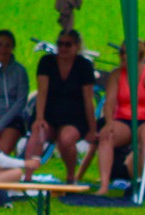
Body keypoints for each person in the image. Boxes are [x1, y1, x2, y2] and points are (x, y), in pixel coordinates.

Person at [24, 29, 96, 184]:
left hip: (75, 117)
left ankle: (71, 176)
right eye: (60, 44)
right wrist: (40, 117)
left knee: (66, 138)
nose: (63, 48)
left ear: (77, 46)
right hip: (49, 114)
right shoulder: (47, 62)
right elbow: (42, 92)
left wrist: (92, 129)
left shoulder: (84, 66)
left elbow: (88, 100)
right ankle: (27, 178)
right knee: (38, 132)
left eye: (67, 45)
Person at [92, 41, 145, 195]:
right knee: (107, 136)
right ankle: (104, 185)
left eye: (126, 52)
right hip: (124, 119)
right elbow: (109, 104)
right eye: (121, 52)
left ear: (138, 55)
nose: (123, 56)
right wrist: (109, 123)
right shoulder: (116, 75)